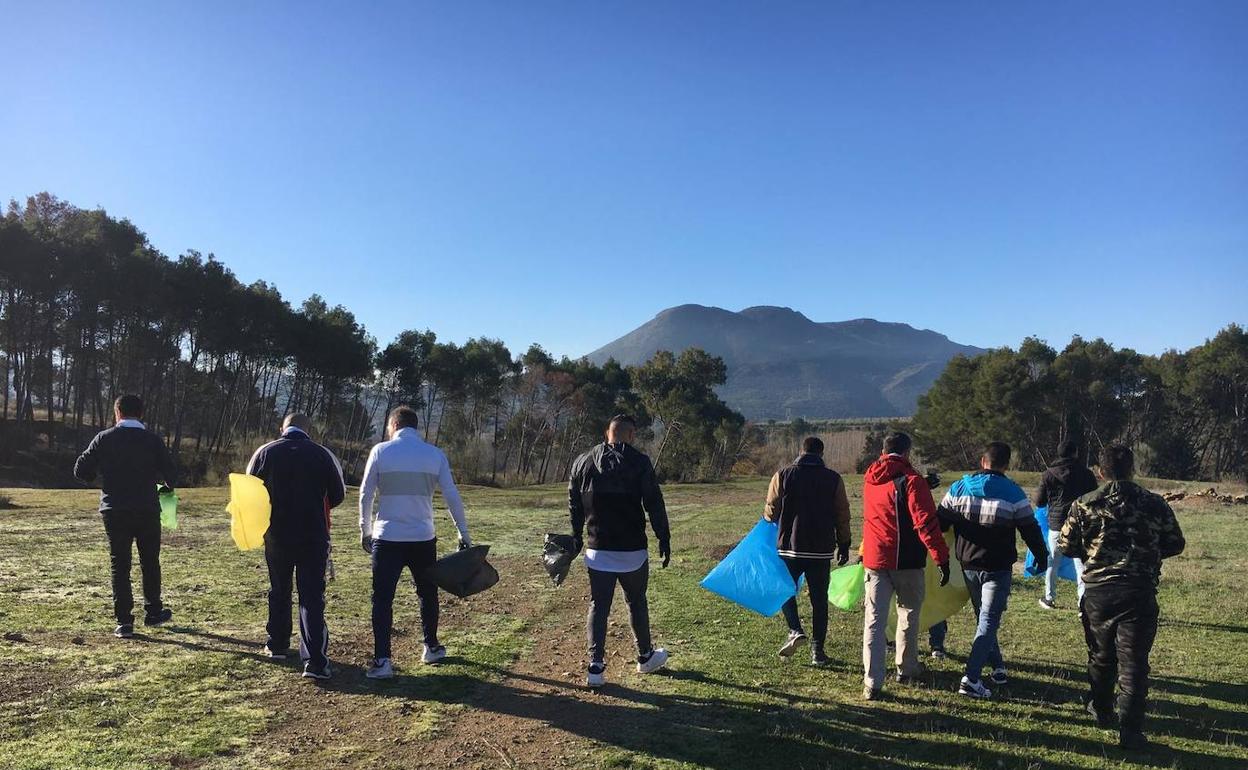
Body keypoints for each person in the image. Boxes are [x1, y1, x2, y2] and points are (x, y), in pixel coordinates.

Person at [1060, 444, 1184, 751]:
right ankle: (1130, 731)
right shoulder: (1154, 503)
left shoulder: (1084, 504)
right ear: (1132, 469)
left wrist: (1093, 553)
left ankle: (1102, 710)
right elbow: (1175, 543)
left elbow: (1066, 545)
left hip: (1098, 592)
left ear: (1100, 472)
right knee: (1134, 664)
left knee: (1101, 656)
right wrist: (1147, 554)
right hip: (1138, 590)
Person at [359, 406, 470, 680]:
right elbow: (452, 495)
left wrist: (365, 530)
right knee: (427, 593)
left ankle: (382, 660)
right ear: (415, 427)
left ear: (393, 425)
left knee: (382, 599)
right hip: (423, 537)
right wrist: (463, 532)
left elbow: (366, 494)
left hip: (387, 537)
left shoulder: (380, 452)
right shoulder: (435, 455)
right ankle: (431, 647)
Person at [937, 441, 1047, 699]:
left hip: (968, 565)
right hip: (997, 567)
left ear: (982, 462)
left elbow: (940, 522)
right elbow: (1029, 529)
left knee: (984, 618)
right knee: (988, 620)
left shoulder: (959, 488)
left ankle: (997, 667)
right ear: (1006, 465)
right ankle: (971, 678)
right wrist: (1041, 556)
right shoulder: (1013, 493)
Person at [569, 414, 671, 688]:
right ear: (631, 435)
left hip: (597, 549)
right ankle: (645, 656)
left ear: (607, 433)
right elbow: (654, 503)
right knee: (636, 601)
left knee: (598, 605)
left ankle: (595, 666)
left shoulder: (582, 462)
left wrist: (576, 536)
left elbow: (574, 503)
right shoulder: (640, 462)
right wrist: (663, 537)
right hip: (632, 551)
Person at [246, 413, 345, 679]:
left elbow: (249, 491)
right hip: (313, 534)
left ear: (283, 428)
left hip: (276, 534)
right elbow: (338, 494)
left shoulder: (265, 452)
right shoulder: (323, 454)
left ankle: (277, 644)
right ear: (309, 430)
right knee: (311, 595)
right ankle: (314, 661)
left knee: (279, 588)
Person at [73, 394, 178, 639]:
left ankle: (124, 621)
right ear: (141, 414)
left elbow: (80, 469)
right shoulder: (153, 441)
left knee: (119, 564)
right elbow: (172, 476)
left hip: (114, 508)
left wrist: (98, 479)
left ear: (117, 412)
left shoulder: (104, 438)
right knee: (149, 561)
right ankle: (153, 611)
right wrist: (161, 483)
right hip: (147, 508)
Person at [860, 431, 949, 700]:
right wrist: (941, 558)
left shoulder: (870, 479)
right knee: (908, 614)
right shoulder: (912, 481)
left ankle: (872, 680)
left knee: (874, 620)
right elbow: (925, 523)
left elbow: (892, 504)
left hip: (876, 558)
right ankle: (906, 667)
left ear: (882, 452)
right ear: (908, 452)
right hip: (907, 560)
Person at [763, 436, 851, 666]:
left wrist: (770, 520)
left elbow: (771, 511)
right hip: (821, 550)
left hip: (790, 547)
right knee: (819, 601)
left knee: (785, 591)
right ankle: (817, 651)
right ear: (821, 454)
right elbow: (842, 513)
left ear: (801, 451)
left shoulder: (783, 475)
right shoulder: (834, 478)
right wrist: (844, 543)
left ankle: (795, 629)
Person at [1034, 439, 1098, 609]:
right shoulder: (1086, 474)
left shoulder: (1048, 474)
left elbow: (1039, 501)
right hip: (1080, 524)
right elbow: (1095, 499)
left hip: (1056, 525)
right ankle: (1082, 600)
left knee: (1053, 562)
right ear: (1075, 453)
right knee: (1081, 564)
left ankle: (1049, 598)